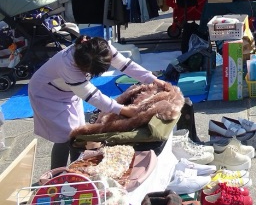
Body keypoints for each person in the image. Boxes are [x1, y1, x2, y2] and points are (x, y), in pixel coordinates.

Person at [28, 36, 166, 169]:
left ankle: (74, 166)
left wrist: (152, 79)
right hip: (45, 94)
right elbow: (93, 96)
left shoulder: (101, 48)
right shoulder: (67, 64)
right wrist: (124, 110)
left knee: (78, 133)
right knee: (64, 137)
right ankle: (56, 176)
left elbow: (125, 64)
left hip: (68, 91)